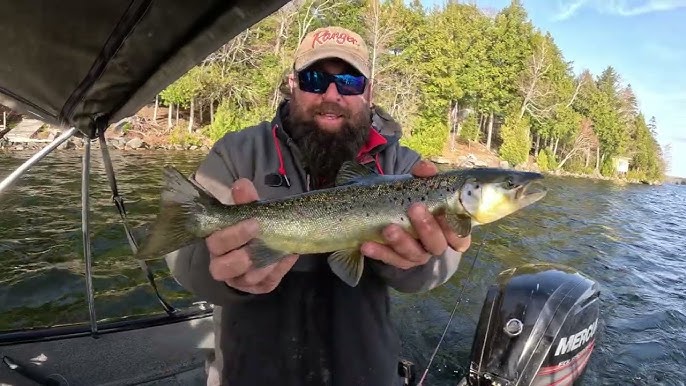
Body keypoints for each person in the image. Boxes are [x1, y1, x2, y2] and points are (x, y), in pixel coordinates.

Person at [164, 25, 471, 386]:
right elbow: (183, 262)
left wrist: (416, 262)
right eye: (314, 79)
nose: (331, 94)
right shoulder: (235, 153)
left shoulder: (405, 168)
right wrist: (224, 272)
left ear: (368, 92)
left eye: (349, 82)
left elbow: (442, 262)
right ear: (293, 84)